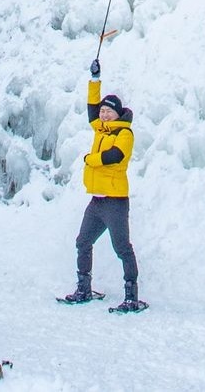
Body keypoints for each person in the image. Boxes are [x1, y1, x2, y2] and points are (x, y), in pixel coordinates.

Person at [61, 58, 146, 312]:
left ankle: (131, 296)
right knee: (82, 241)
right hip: (97, 201)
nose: (103, 113)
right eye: (102, 111)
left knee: (122, 248)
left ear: (118, 114)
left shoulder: (124, 134)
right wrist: (95, 79)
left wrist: (90, 159)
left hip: (115, 202)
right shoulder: (100, 130)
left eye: (108, 111)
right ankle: (83, 288)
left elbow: (115, 157)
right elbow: (90, 108)